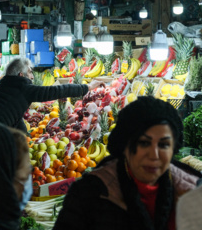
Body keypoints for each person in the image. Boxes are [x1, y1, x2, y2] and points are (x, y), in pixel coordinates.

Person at [53, 96, 202, 230]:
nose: (154, 155)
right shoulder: (87, 195)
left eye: (163, 145)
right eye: (144, 143)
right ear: (124, 146)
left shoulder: (193, 189)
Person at [0, 57, 105, 139]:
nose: (32, 76)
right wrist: (87, 87)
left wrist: (27, 139)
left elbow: (15, 117)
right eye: (29, 72)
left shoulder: (2, 87)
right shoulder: (23, 87)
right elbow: (56, 90)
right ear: (21, 75)